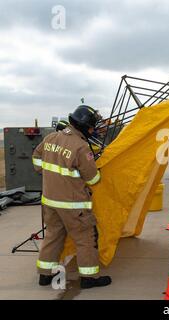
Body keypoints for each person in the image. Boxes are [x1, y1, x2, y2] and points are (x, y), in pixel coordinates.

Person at [32, 105, 111, 289]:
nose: (93, 130)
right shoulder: (81, 147)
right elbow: (93, 179)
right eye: (92, 127)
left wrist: (48, 173)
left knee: (53, 236)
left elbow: (36, 158)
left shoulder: (51, 138)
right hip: (73, 205)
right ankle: (89, 278)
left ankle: (44, 275)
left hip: (50, 202)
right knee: (85, 239)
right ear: (84, 126)